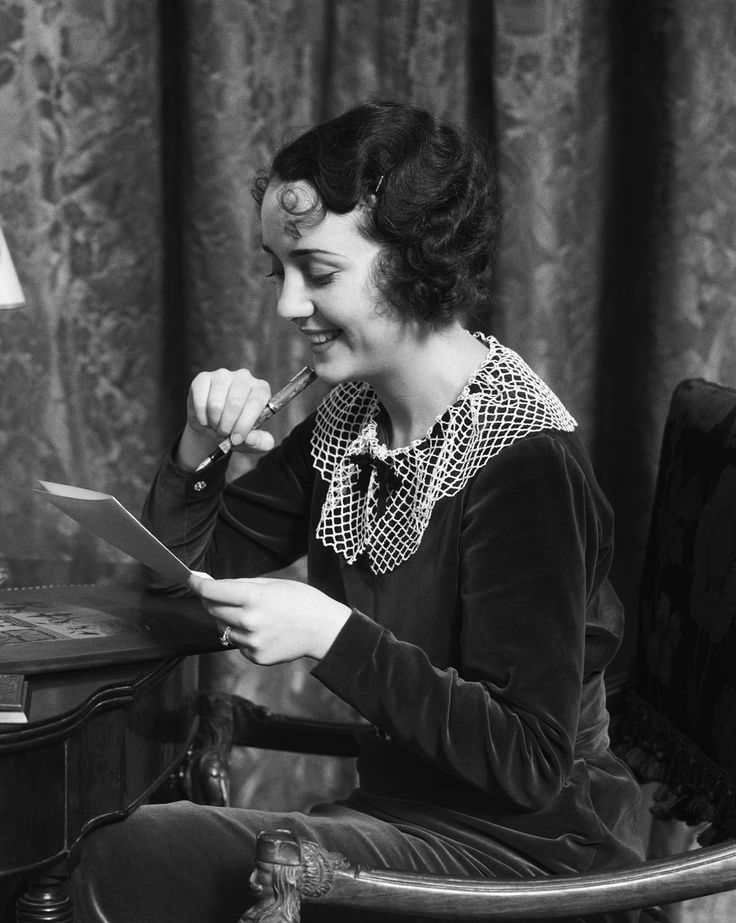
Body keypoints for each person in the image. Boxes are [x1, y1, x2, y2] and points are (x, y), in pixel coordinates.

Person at [69, 100, 645, 922]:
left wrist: (330, 633)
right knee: (101, 844)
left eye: (318, 271)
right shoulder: (352, 420)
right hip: (401, 820)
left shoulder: (525, 462)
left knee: (105, 856)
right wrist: (199, 450)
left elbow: (530, 759)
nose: (286, 305)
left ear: (415, 258)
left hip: (528, 857)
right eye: (278, 270)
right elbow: (182, 579)